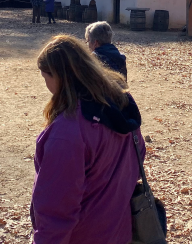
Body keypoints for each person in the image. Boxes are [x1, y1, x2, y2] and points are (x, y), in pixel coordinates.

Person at [32, 35, 145, 244]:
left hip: (83, 236)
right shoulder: (121, 106)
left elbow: (56, 211)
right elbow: (137, 158)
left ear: (59, 76)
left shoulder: (67, 133)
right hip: (119, 232)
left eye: (45, 77)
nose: (46, 84)